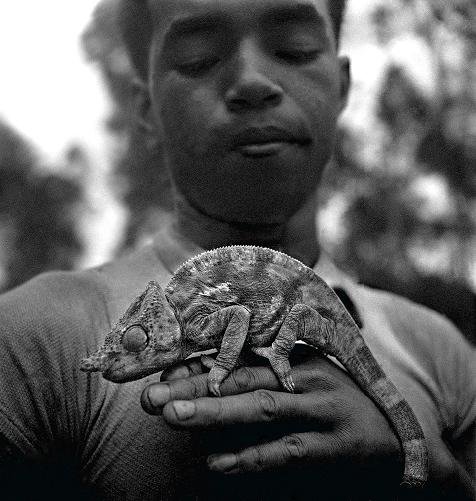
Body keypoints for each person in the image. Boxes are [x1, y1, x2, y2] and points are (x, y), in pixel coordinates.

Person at [0, 0, 474, 499]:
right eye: (199, 59)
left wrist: (433, 476)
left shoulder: (442, 353)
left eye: (294, 49)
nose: (251, 82)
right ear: (146, 108)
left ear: (342, 86)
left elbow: (238, 317)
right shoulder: (32, 339)